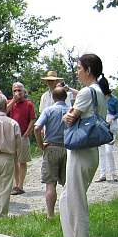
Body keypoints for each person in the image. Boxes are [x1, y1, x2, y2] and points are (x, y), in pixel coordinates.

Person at [57, 53, 109, 237]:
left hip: (81, 150)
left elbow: (70, 117)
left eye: (79, 68)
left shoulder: (87, 92)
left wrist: (66, 116)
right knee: (66, 199)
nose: (77, 71)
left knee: (77, 201)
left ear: (88, 70)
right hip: (89, 150)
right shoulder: (99, 91)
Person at [34, 87, 69, 218]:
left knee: (50, 184)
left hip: (51, 147)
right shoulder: (71, 111)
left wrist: (40, 145)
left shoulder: (49, 110)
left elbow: (37, 128)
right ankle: (68, 213)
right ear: (65, 97)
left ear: (53, 98)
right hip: (68, 148)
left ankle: (50, 215)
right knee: (68, 184)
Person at [7, 82, 36, 195]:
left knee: (22, 161)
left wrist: (27, 133)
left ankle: (20, 185)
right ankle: (16, 184)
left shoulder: (29, 104)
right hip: (11, 136)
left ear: (24, 92)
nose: (17, 93)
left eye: (19, 90)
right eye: (15, 90)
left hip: (23, 136)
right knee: (13, 161)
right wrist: (13, 100)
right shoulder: (10, 103)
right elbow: (4, 112)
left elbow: (32, 119)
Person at [97, 89, 118, 182]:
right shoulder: (100, 99)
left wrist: (113, 118)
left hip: (111, 125)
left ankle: (113, 173)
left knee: (108, 151)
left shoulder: (114, 100)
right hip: (102, 124)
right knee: (101, 152)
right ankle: (102, 175)